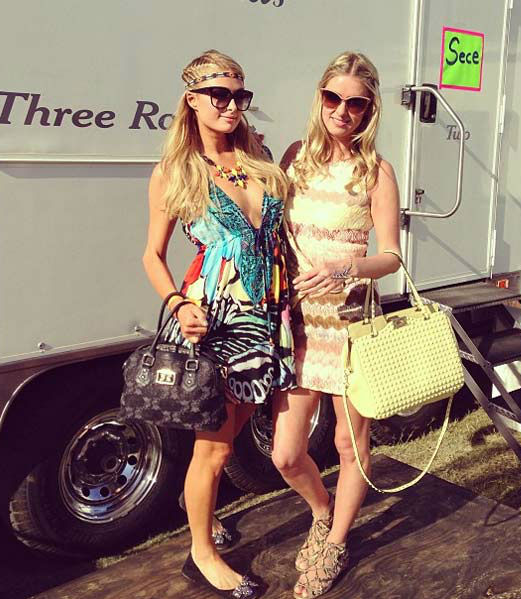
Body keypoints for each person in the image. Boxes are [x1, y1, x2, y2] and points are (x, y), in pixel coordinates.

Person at [142, 49, 295, 598]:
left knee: (233, 430)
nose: (231, 106)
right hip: (217, 321)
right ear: (192, 100)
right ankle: (202, 554)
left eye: (239, 96)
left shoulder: (259, 160)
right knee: (217, 448)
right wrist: (178, 304)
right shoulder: (175, 172)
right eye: (218, 95)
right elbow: (152, 255)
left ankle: (199, 512)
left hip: (267, 315)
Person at [271, 51, 401, 599]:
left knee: (350, 446)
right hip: (299, 325)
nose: (342, 111)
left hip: (350, 327)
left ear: (369, 110)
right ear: (319, 98)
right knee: (285, 454)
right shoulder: (295, 158)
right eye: (333, 98)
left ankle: (336, 543)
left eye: (355, 103)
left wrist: (346, 267)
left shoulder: (377, 172)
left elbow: (391, 256)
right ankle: (322, 511)